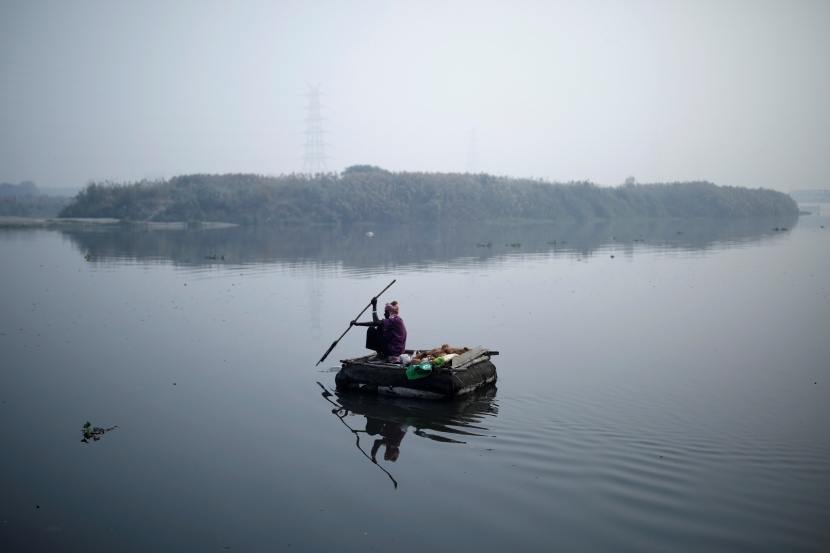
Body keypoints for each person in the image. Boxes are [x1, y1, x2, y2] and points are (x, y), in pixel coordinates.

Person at [351, 297, 407, 363]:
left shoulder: (394, 321)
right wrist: (357, 324)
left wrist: (374, 305)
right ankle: (380, 354)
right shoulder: (397, 319)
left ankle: (380, 355)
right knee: (379, 327)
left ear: (390, 313)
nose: (384, 314)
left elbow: (376, 322)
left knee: (371, 330)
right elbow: (376, 323)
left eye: (385, 312)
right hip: (395, 350)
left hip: (393, 352)